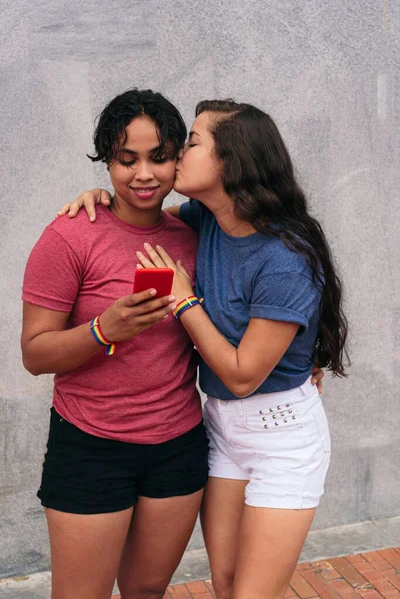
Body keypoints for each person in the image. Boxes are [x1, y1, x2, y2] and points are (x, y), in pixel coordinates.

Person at [57, 99, 337, 599]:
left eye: (190, 143)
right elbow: (138, 211)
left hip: (282, 437)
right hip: (222, 426)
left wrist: (185, 300)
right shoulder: (204, 219)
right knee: (226, 583)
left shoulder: (284, 257)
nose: (177, 156)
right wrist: (99, 198)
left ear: (232, 160)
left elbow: (243, 374)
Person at [21, 89, 211, 599]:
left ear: (178, 160)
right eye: (127, 160)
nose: (144, 174)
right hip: (91, 445)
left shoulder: (195, 231)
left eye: (159, 157)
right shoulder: (70, 235)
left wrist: (309, 357)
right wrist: (103, 331)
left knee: (146, 591)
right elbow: (34, 354)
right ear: (107, 160)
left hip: (178, 445)